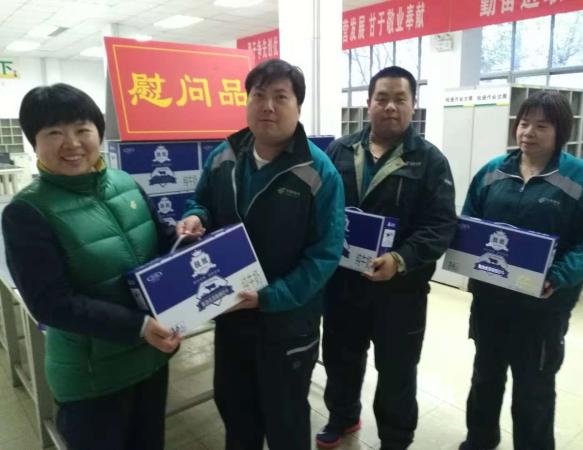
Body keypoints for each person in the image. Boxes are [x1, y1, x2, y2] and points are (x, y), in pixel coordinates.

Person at [176, 59, 345, 450]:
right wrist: (195, 216)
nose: (268, 106)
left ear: (298, 107)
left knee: (286, 419)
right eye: (259, 95)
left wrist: (270, 296)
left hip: (287, 321)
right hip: (231, 313)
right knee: (235, 410)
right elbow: (200, 200)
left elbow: (325, 254)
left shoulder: (318, 173)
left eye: (281, 97)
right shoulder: (224, 156)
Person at [2, 83, 181, 450]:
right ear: (34, 143)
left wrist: (184, 235)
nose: (72, 143)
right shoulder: (27, 212)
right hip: (93, 378)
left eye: (82, 129)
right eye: (54, 133)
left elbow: (158, 239)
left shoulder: (124, 183)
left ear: (98, 133)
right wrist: (139, 326)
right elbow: (51, 304)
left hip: (151, 358)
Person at [317, 66, 457, 450]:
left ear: (413, 105)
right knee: (340, 357)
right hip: (344, 283)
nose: (390, 107)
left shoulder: (430, 161)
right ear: (368, 103)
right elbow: (320, 209)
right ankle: (342, 416)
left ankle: (395, 438)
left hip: (400, 291)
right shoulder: (339, 151)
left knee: (397, 369)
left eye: (399, 99)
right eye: (382, 98)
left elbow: (441, 225)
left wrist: (400, 258)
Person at [457, 90, 583, 450]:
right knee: (485, 376)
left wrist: (559, 275)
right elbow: (470, 222)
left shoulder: (579, 177)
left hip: (543, 306)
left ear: (560, 131)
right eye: (524, 123)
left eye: (541, 126)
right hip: (490, 299)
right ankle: (479, 440)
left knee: (533, 388)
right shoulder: (493, 171)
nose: (528, 133)